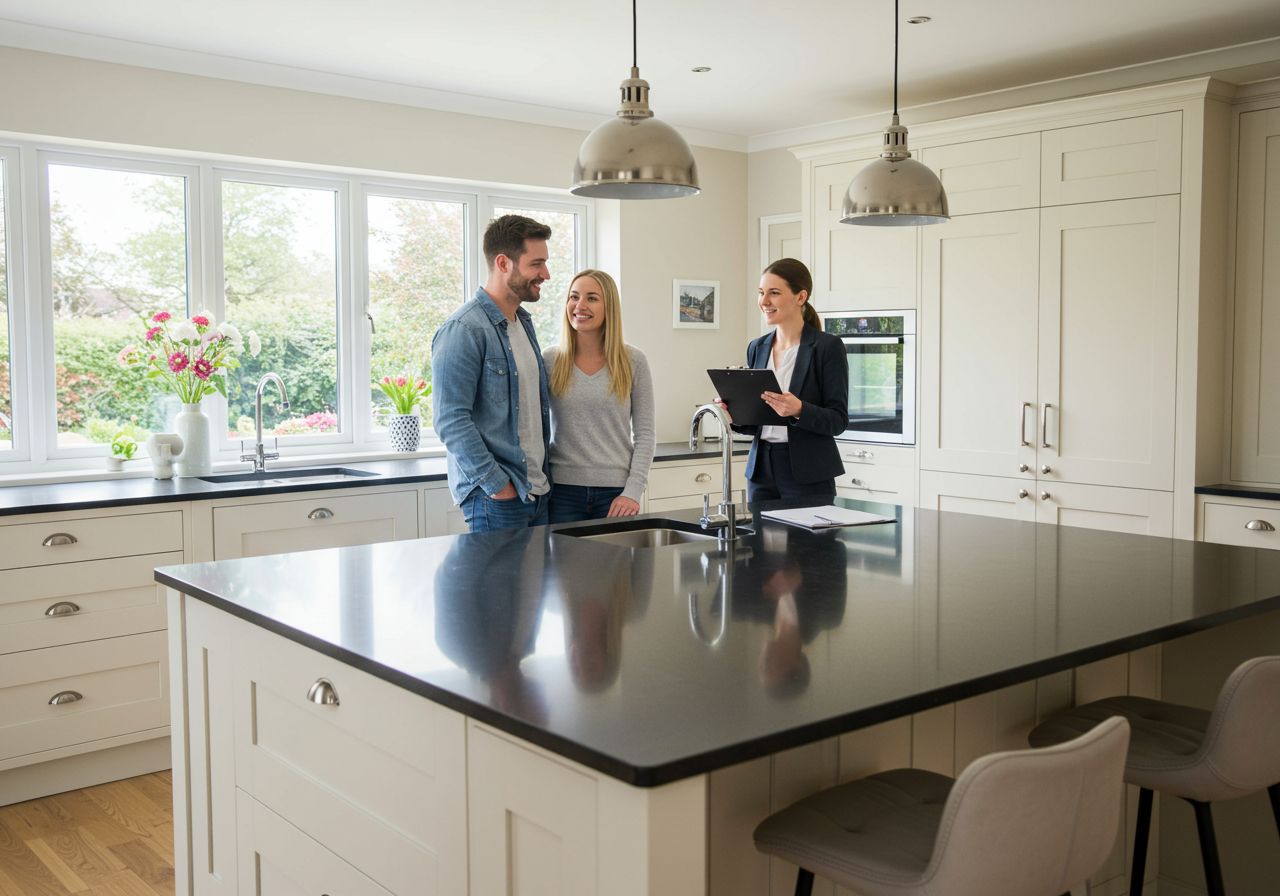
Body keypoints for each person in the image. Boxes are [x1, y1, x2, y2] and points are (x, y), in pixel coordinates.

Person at [431, 215, 554, 532]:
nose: (546, 274)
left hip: (536, 494)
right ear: (503, 263)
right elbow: (450, 419)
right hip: (498, 500)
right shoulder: (464, 329)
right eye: (536, 264)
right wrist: (499, 486)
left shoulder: (522, 323)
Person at [718, 258, 849, 504]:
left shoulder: (827, 347)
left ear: (801, 297)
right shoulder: (757, 347)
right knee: (759, 531)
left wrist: (799, 409)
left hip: (808, 473)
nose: (764, 301)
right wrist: (734, 414)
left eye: (774, 293)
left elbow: (838, 421)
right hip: (760, 471)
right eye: (761, 293)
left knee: (808, 532)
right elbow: (758, 422)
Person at [543, 270, 656, 522]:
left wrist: (633, 491)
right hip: (561, 493)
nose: (579, 305)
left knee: (614, 551)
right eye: (574, 297)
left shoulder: (633, 361)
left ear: (609, 307)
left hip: (617, 494)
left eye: (592, 298)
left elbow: (645, 434)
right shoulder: (550, 360)